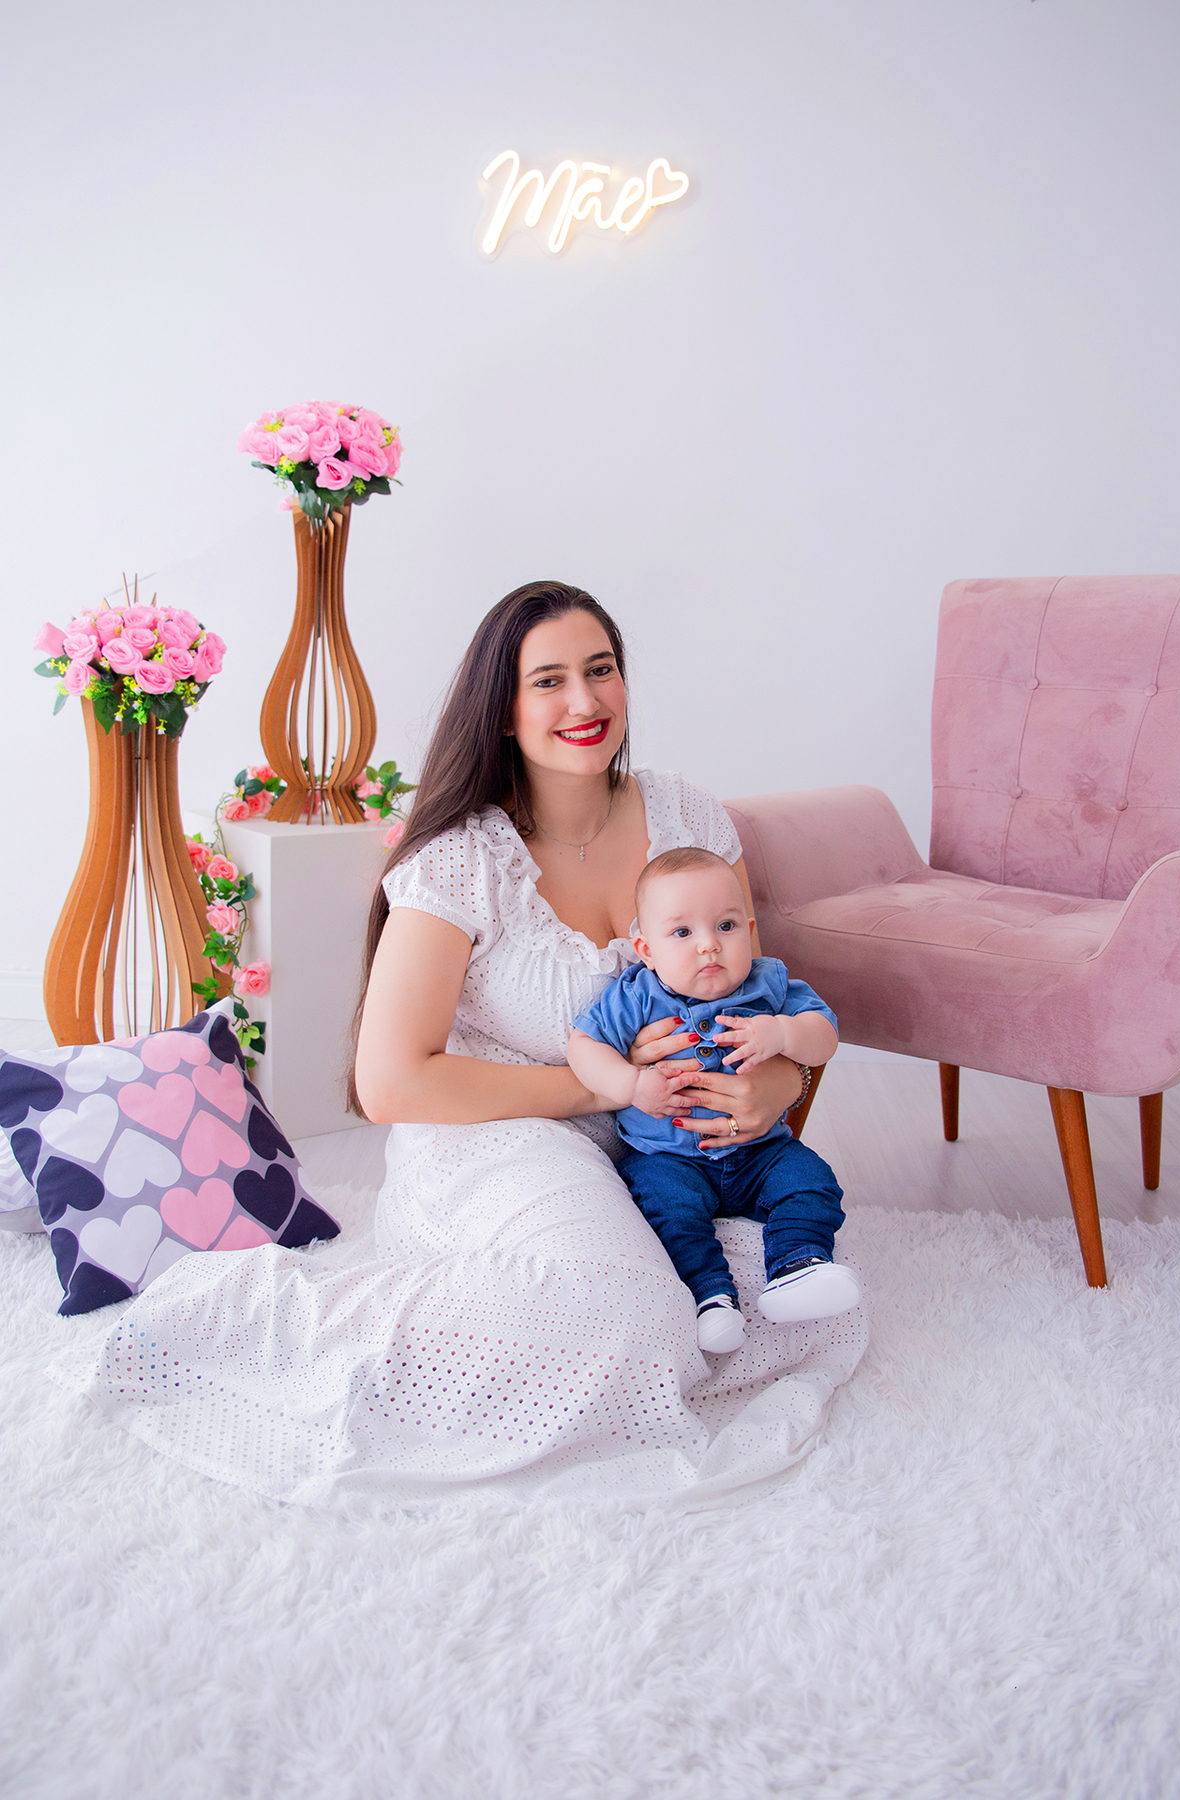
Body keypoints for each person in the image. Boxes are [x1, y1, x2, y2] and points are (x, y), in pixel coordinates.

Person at [58, 582, 867, 1507]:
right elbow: (391, 1081)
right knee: (632, 1312)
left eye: (602, 670)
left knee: (798, 1296)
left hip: (654, 1152)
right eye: (549, 681)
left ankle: (617, 1318)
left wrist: (785, 1079)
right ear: (504, 709)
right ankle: (273, 1322)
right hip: (496, 1139)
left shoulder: (689, 819)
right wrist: (604, 1089)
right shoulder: (461, 859)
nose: (585, 702)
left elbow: (757, 986)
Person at [568, 846, 861, 1356]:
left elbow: (825, 1037)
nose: (709, 946)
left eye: (725, 927)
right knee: (666, 1214)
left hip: (759, 1153)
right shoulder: (637, 995)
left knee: (810, 1181)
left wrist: (784, 1034)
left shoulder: (767, 986)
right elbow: (583, 1045)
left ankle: (798, 1265)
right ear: (646, 949)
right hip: (668, 1158)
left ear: (748, 930)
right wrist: (631, 1085)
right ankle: (710, 1298)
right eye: (682, 933)